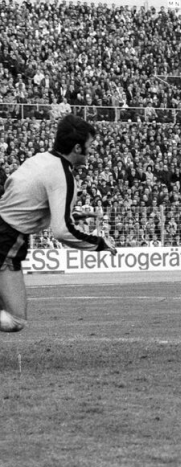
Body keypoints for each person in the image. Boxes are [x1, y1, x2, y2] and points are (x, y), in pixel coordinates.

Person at [0, 115, 117, 333]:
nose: (92, 150)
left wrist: (75, 215)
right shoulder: (63, 175)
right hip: (7, 239)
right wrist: (99, 243)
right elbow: (62, 231)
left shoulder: (40, 159)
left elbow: (20, 197)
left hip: (4, 228)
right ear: (77, 148)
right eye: (90, 145)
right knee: (15, 319)